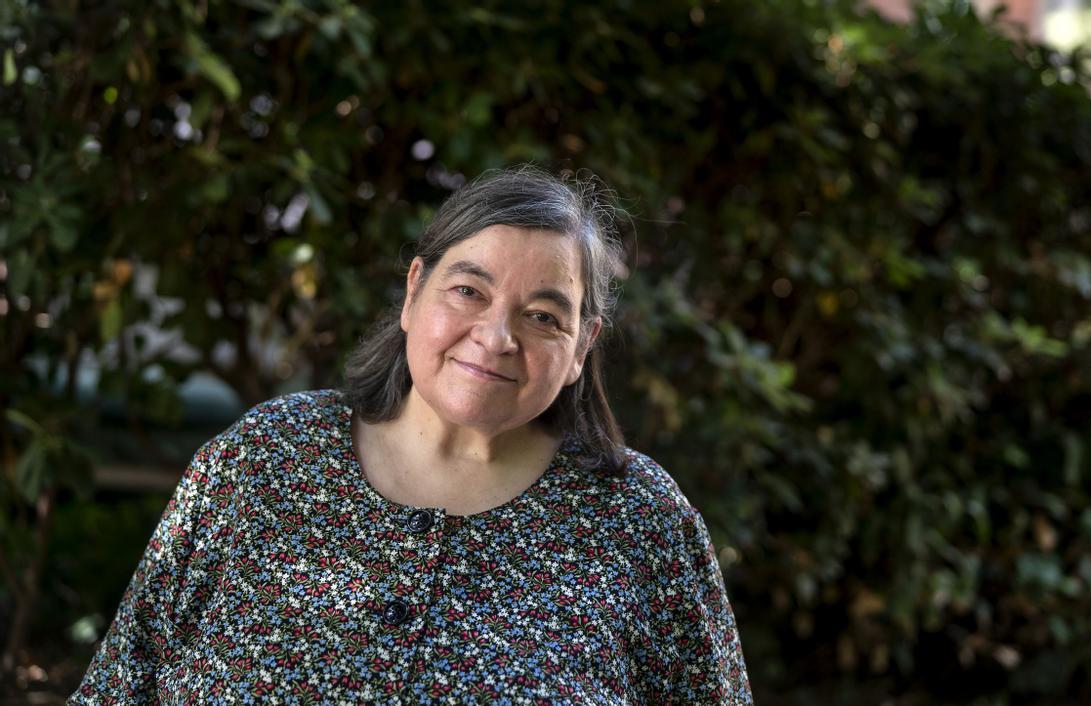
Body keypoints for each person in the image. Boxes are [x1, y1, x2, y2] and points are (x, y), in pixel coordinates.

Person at [71, 167, 753, 704]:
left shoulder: (639, 521)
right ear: (414, 290)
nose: (496, 337)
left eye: (544, 316)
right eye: (468, 291)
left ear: (581, 348)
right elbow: (121, 686)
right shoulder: (264, 460)